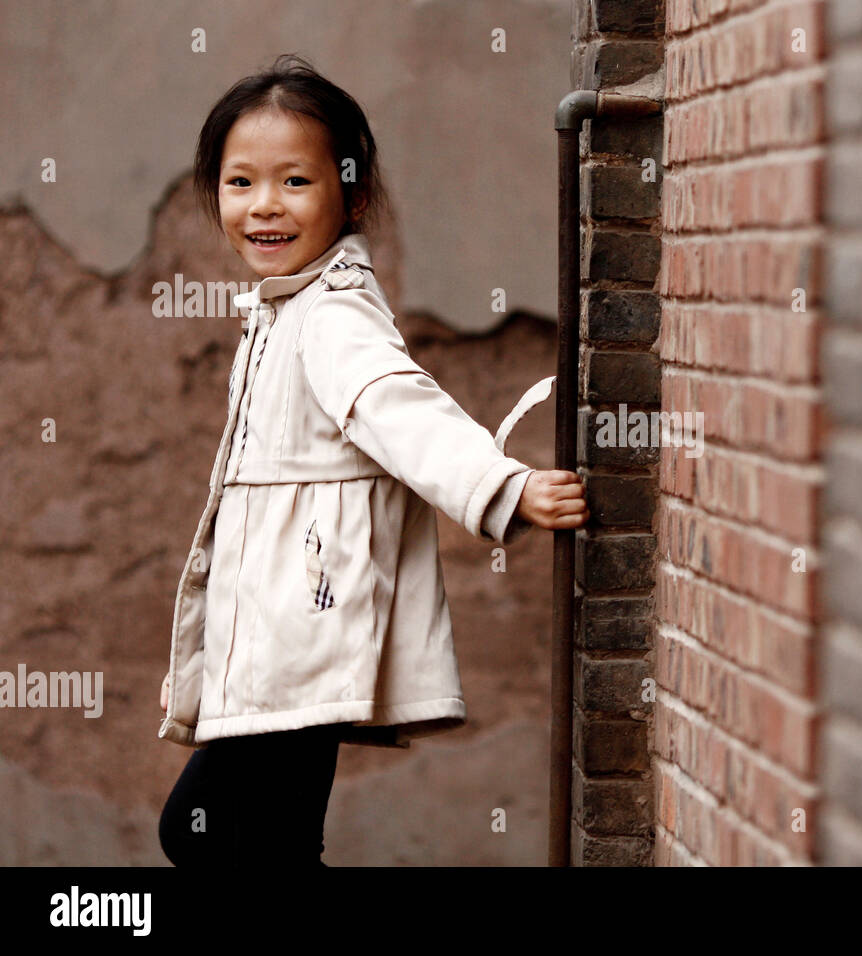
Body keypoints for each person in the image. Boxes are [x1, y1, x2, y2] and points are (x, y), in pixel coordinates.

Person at [157, 53, 588, 867]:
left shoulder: (333, 317)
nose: (263, 207)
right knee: (199, 832)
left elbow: (401, 408)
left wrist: (505, 485)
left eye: (295, 182)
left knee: (263, 851)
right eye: (239, 183)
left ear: (351, 195)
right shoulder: (281, 314)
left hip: (306, 636)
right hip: (273, 648)